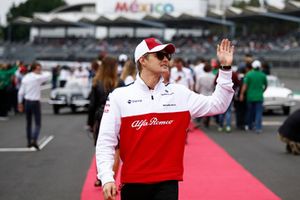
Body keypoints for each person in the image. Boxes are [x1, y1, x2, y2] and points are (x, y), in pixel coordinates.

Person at [96, 37, 234, 200]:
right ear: (143, 60)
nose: (166, 59)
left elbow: (218, 104)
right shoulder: (119, 96)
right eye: (160, 55)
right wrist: (106, 178)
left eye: (168, 56)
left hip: (167, 183)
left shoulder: (180, 94)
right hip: (133, 183)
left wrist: (225, 68)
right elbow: (105, 142)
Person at [87, 56, 125, 186]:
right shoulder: (120, 82)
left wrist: (90, 123)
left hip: (100, 116)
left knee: (101, 147)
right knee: (117, 149)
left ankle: (102, 177)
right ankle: (112, 178)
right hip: (117, 117)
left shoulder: (96, 82)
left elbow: (92, 105)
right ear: (115, 67)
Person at [18, 63, 50, 150]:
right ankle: (34, 140)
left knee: (28, 123)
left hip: (27, 101)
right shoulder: (37, 77)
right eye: (38, 69)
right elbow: (48, 75)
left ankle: (29, 142)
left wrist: (20, 103)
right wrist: (40, 73)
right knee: (38, 123)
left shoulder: (26, 77)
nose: (40, 71)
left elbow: (21, 92)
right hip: (35, 102)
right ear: (34, 69)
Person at [240, 60, 267, 133]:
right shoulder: (263, 75)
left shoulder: (249, 74)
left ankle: (250, 125)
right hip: (259, 96)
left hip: (250, 97)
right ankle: (258, 128)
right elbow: (266, 86)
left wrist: (242, 94)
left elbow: (244, 86)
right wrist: (262, 91)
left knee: (250, 112)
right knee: (258, 113)